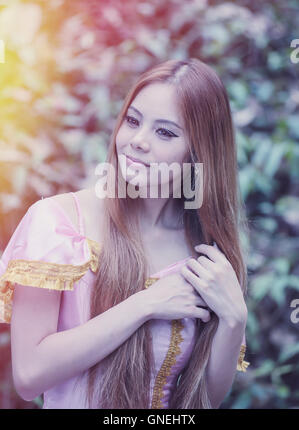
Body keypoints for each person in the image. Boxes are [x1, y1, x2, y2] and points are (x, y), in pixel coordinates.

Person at [0, 58, 250, 409]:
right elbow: (28, 376)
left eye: (165, 132)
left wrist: (235, 320)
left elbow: (203, 399)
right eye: (132, 121)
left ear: (198, 152)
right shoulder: (58, 223)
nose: (137, 141)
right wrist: (145, 305)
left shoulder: (205, 253)